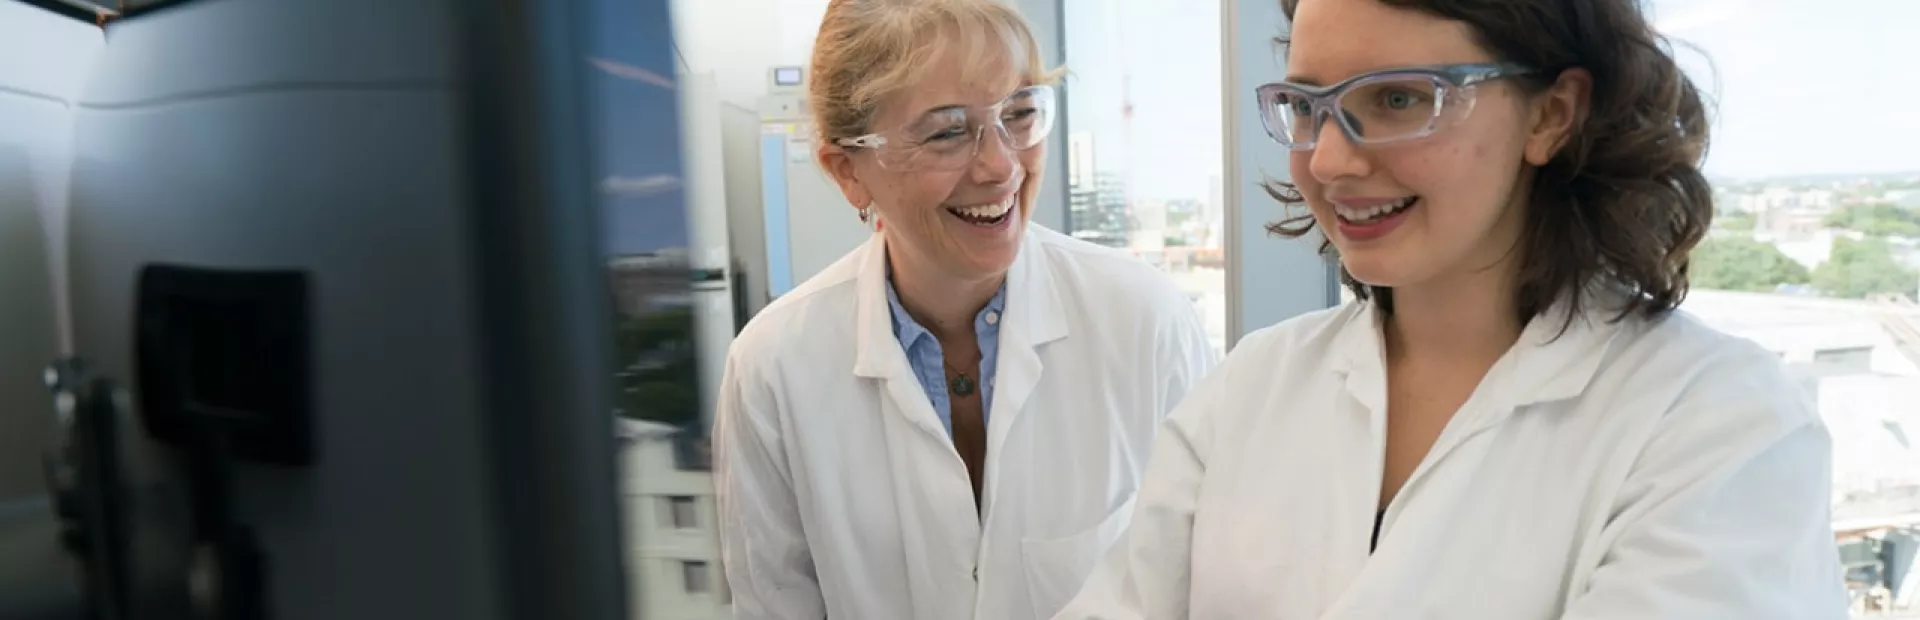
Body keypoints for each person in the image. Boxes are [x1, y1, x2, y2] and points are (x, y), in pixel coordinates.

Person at [1053, 0, 1849, 618]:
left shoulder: (1719, 424)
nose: (1328, 158)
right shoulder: (1250, 389)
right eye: (1306, 104)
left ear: (1552, 114)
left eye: (1398, 98)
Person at [711, 1, 1219, 619]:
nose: (1002, 165)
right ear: (848, 171)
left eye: (1020, 113)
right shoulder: (773, 367)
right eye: (948, 131)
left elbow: (1212, 585)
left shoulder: (1145, 320)